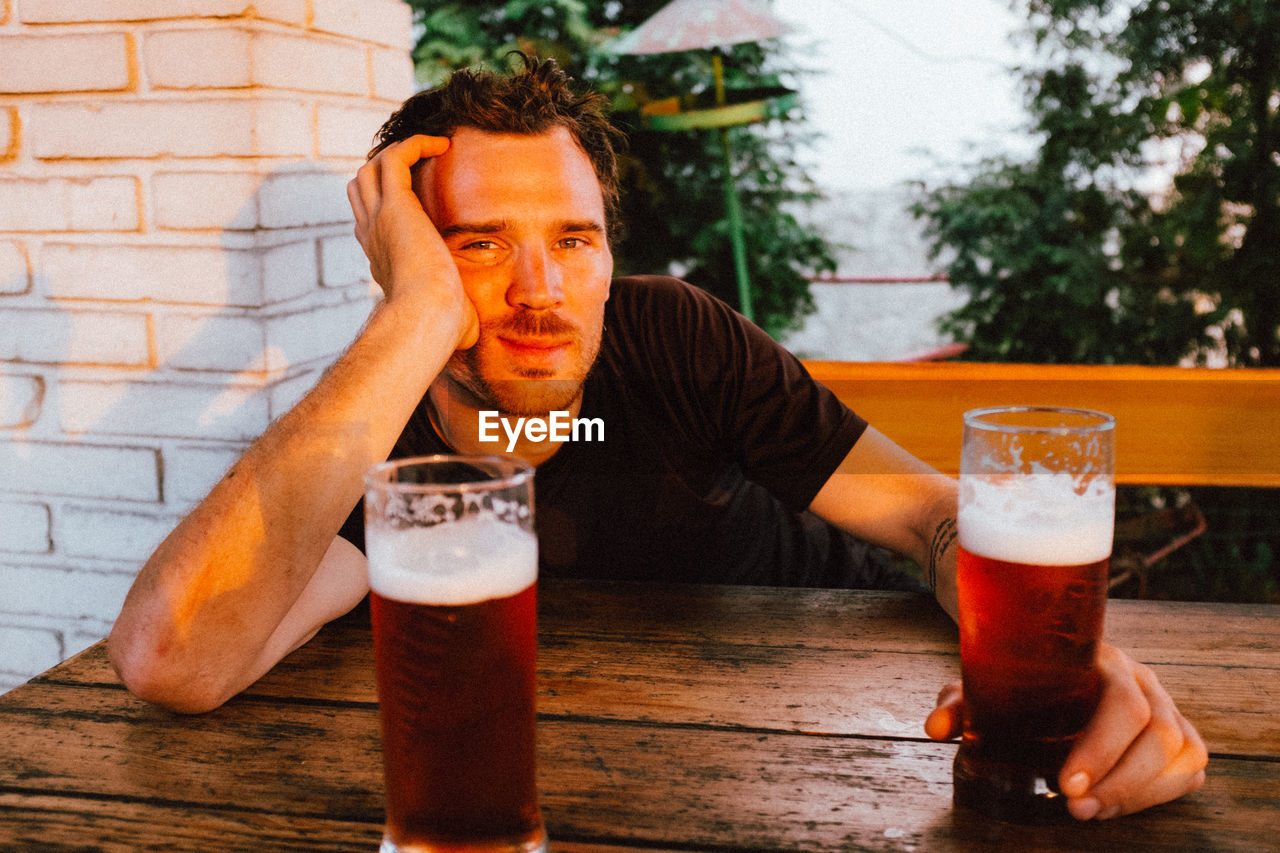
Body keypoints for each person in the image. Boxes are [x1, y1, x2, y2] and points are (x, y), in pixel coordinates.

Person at [108, 54, 1206, 822]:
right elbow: (173, 659)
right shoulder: (372, 436)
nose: (542, 289)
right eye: (478, 243)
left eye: (572, 239)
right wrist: (408, 323)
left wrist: (1053, 665)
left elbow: (924, 516)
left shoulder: (673, 335)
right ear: (409, 260)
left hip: (819, 722)